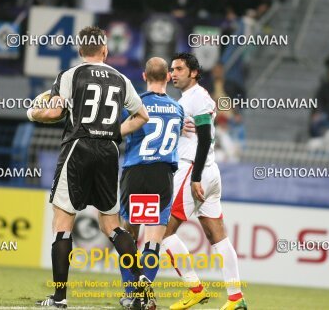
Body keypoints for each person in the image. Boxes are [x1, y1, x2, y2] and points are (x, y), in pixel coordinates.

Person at [27, 26, 151, 309]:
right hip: (108, 151)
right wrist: (115, 132)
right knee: (113, 226)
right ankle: (141, 275)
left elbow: (55, 112)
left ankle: (59, 297)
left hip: (78, 148)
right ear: (105, 50)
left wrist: (32, 112)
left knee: (62, 226)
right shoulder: (121, 79)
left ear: (81, 51)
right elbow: (141, 115)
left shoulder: (71, 75)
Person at [162, 53, 247, 310]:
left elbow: (206, 138)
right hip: (210, 172)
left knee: (162, 232)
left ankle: (195, 289)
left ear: (194, 73)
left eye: (179, 69)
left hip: (193, 171)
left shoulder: (197, 97)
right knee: (219, 239)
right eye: (171, 69)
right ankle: (236, 298)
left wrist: (195, 178)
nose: (173, 74)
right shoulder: (190, 98)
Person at [118, 57, 185, 310]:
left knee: (127, 235)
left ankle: (129, 292)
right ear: (168, 77)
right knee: (153, 241)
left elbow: (121, 130)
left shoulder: (137, 104)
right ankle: (145, 294)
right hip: (162, 175)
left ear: (144, 77)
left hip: (136, 172)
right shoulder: (178, 109)